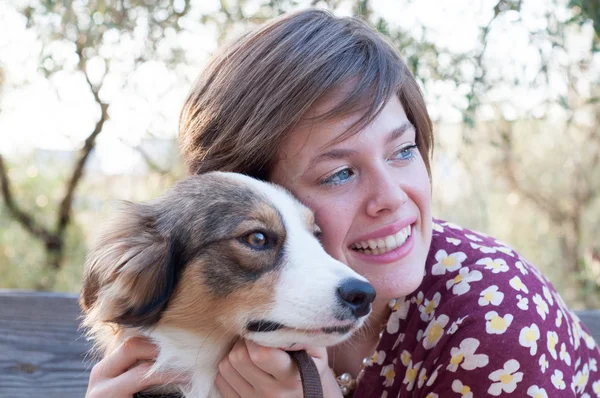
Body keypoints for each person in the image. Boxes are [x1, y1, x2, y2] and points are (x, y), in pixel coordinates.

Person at [85, 8, 600, 398]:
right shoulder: (252, 322)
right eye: (340, 173)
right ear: (248, 187)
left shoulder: (494, 316)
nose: (393, 199)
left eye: (403, 151)